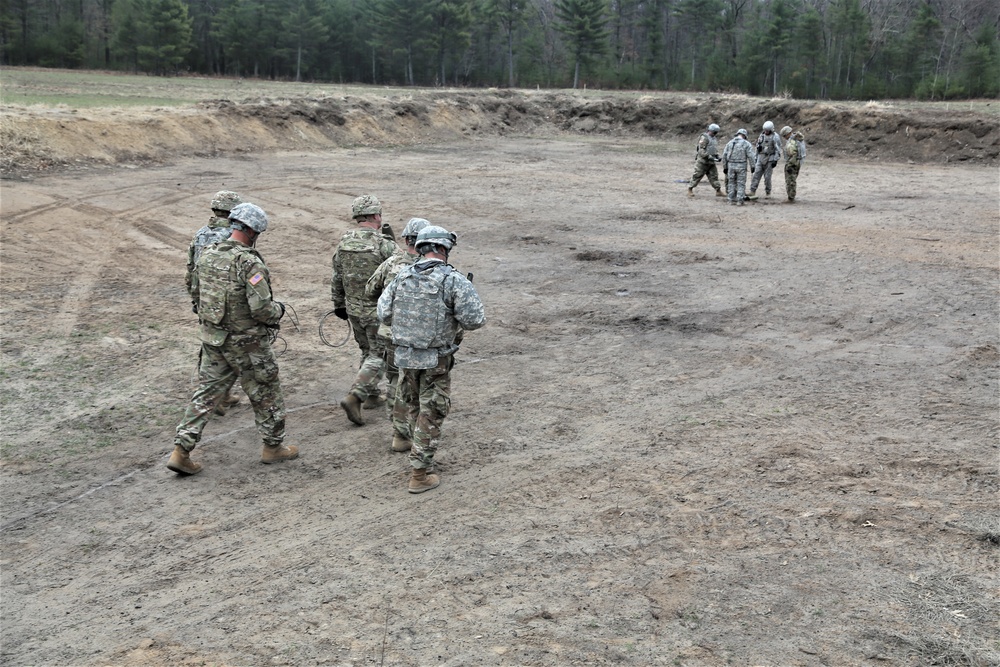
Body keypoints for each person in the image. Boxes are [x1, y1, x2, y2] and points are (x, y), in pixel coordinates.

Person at [168, 203, 297, 475]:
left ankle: (181, 450)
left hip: (214, 338)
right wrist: (280, 310)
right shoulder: (249, 262)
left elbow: (195, 291)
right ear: (250, 230)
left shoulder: (207, 254)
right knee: (265, 391)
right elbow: (262, 309)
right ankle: (273, 447)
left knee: (206, 393)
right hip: (247, 344)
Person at [377, 225, 486, 493]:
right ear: (443, 248)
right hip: (435, 359)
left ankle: (413, 449)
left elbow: (383, 313)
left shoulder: (401, 276)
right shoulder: (454, 280)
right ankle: (420, 473)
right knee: (432, 411)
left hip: (404, 357)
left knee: (413, 407)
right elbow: (474, 320)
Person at [331, 194, 400, 426]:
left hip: (353, 309)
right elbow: (398, 273)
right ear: (374, 215)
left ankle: (371, 396)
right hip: (377, 311)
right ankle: (356, 395)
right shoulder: (384, 244)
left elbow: (337, 276)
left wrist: (338, 304)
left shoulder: (344, 242)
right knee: (380, 354)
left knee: (367, 350)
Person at [365, 217, 430, 453]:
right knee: (417, 384)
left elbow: (370, 290)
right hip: (417, 338)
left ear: (405, 239)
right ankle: (413, 431)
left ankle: (398, 433)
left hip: (390, 334)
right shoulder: (431, 267)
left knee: (394, 380)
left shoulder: (392, 263)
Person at [186, 190, 244, 415]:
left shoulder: (200, 234)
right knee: (233, 347)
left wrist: (196, 298)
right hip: (228, 303)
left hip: (205, 300)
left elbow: (190, 269)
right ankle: (217, 395)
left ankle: (220, 395)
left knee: (210, 346)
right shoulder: (234, 235)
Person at [687, 123, 725, 198]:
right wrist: (709, 156)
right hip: (702, 162)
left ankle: (718, 190)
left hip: (711, 162)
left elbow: (714, 149)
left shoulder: (713, 138)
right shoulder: (704, 138)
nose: (715, 134)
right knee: (697, 175)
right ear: (710, 130)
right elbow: (701, 151)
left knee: (714, 176)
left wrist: (717, 156)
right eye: (714, 132)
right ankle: (690, 189)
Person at [748, 120, 783, 199]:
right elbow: (757, 147)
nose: (766, 132)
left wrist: (775, 160)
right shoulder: (762, 136)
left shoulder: (775, 137)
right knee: (756, 175)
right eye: (765, 130)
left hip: (770, 158)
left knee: (767, 177)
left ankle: (768, 192)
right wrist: (756, 157)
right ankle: (752, 190)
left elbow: (778, 149)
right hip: (761, 157)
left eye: (767, 130)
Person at [721, 129, 755, 206]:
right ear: (744, 136)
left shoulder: (729, 143)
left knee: (731, 183)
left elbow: (724, 156)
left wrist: (725, 167)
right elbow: (751, 156)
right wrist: (753, 166)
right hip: (741, 166)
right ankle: (740, 200)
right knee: (741, 183)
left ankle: (731, 199)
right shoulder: (746, 144)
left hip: (731, 166)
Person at [781, 125, 806, 203]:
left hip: (793, 163)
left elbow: (792, 154)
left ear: (788, 133)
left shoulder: (792, 141)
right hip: (797, 162)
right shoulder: (797, 139)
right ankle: (791, 196)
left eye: (785, 135)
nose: (784, 137)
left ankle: (791, 197)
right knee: (792, 179)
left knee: (790, 180)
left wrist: (789, 165)